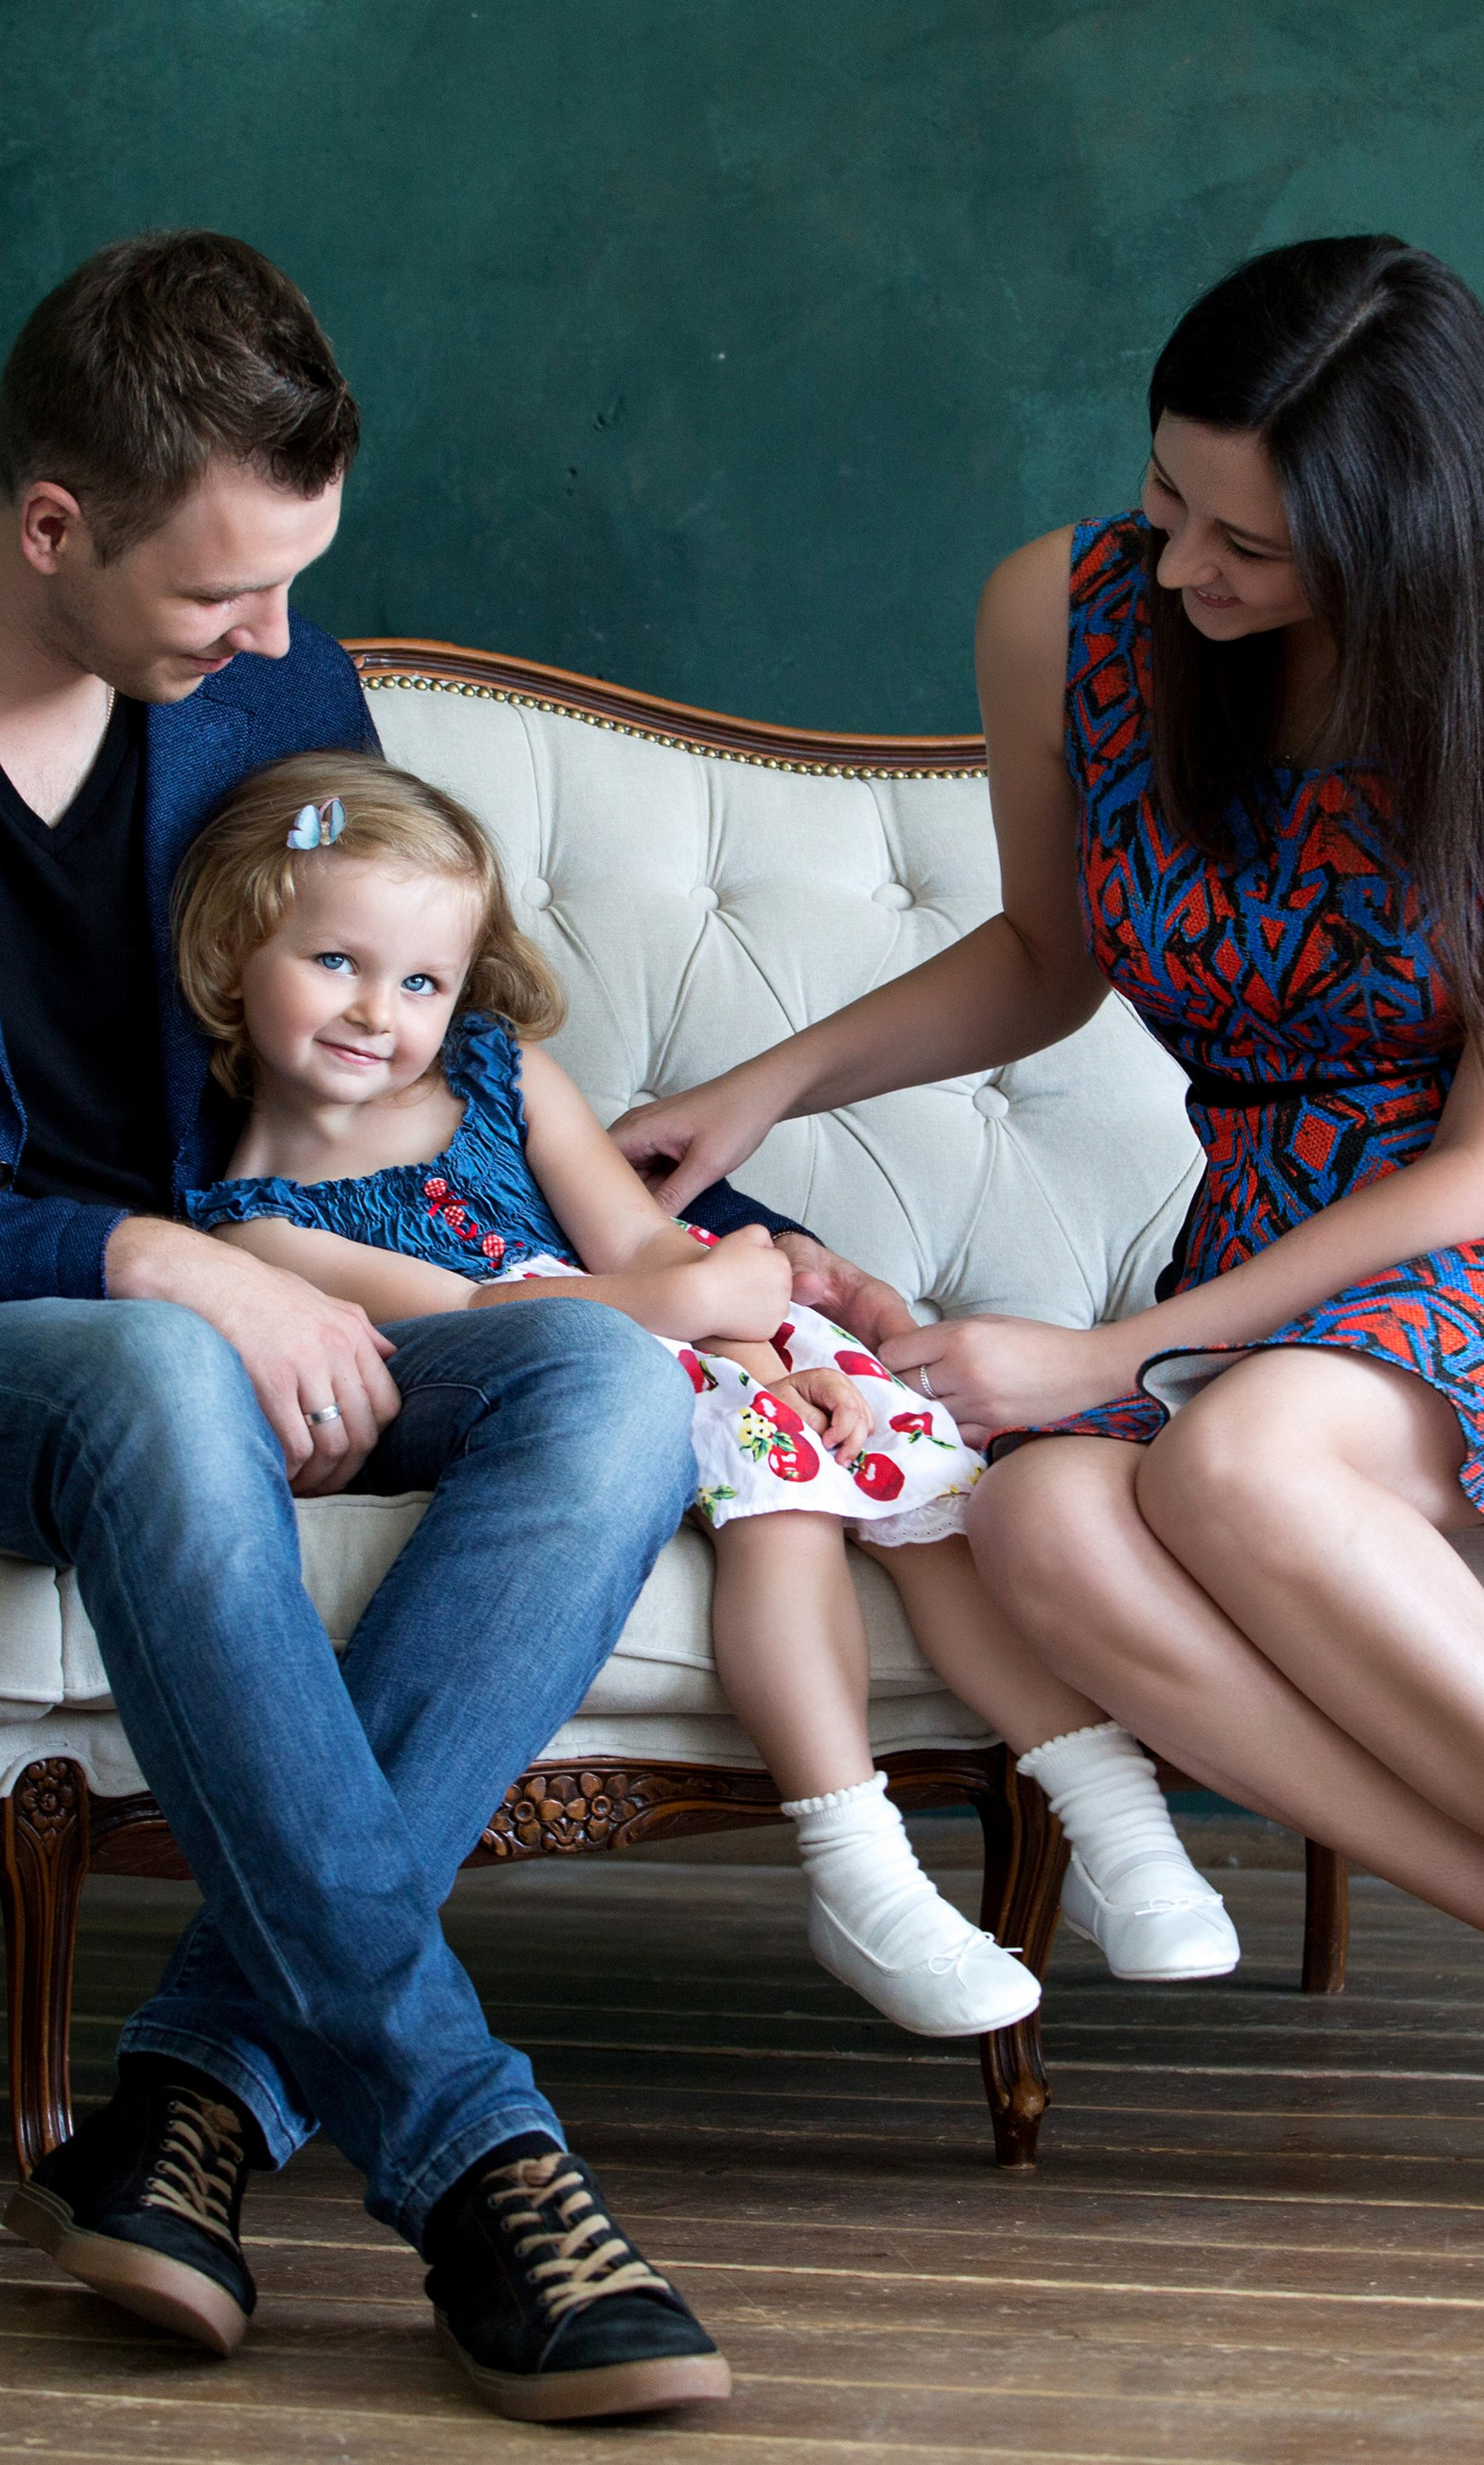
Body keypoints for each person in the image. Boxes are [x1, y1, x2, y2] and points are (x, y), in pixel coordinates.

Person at [612, 234, 1484, 2219]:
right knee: (1039, 1521)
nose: (1182, 572)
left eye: (1248, 545)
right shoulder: (1065, 611)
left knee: (1241, 1453)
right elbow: (1044, 959)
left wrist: (1118, 1354)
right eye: (1170, 499)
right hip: (1275, 1260)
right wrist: (764, 1085)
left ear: (1407, 544)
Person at [0, 228, 872, 2426]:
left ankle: (193, 2094)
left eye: (295, 583)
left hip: (289, 1312)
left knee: (600, 1373)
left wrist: (770, 1248)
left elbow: (439, 1071)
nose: (281, 646)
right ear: (49, 524)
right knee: (152, 1365)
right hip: (84, 1343)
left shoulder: (275, 699)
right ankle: (477, 2154)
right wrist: (148, 1257)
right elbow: (143, 1281)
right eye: (224, 596)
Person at [166, 747, 1235, 2037]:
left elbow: (641, 1242)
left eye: (421, 981)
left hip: (702, 1339)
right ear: (232, 955)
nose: (376, 1012)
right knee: (778, 1507)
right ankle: (859, 1868)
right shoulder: (254, 1233)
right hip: (572, 1387)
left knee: (930, 1501)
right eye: (334, 962)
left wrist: (777, 1362)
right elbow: (480, 1323)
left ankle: (1109, 1813)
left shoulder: (502, 1079)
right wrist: (705, 1321)